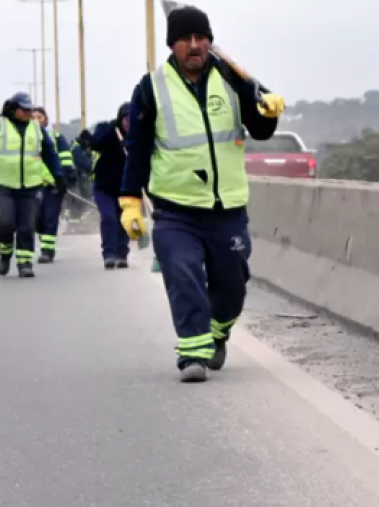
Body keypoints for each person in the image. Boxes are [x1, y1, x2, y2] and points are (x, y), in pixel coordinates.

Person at [120, 4, 284, 382]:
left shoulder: (233, 80)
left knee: (232, 284)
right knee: (183, 272)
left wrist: (269, 111)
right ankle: (192, 351)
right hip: (175, 209)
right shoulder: (150, 89)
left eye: (201, 38)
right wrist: (130, 201)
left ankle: (217, 331)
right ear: (172, 45)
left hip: (226, 207)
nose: (194, 46)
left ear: (210, 42)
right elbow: (138, 150)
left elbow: (260, 130)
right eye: (185, 40)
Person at [0, 92, 65, 278]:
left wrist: (58, 176)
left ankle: (25, 263)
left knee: (26, 226)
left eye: (30, 109)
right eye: (24, 110)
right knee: (5, 223)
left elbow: (50, 154)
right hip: (2, 186)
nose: (29, 113)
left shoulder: (37, 129)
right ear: (13, 109)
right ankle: (5, 254)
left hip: (30, 187)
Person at [30, 107, 83, 263]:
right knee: (35, 218)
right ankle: (44, 237)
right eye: (33, 117)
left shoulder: (57, 138)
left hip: (53, 184)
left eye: (39, 117)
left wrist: (67, 175)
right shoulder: (26, 139)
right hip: (32, 184)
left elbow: (66, 158)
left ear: (46, 119)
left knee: (50, 216)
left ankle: (47, 250)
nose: (36, 120)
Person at [90, 104, 133, 269]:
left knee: (125, 220)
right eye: (126, 119)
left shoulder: (138, 135)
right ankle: (109, 254)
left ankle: (122, 254)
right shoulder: (109, 131)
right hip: (104, 186)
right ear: (120, 119)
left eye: (132, 119)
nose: (129, 123)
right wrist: (111, 129)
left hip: (126, 188)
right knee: (109, 218)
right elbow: (96, 144)